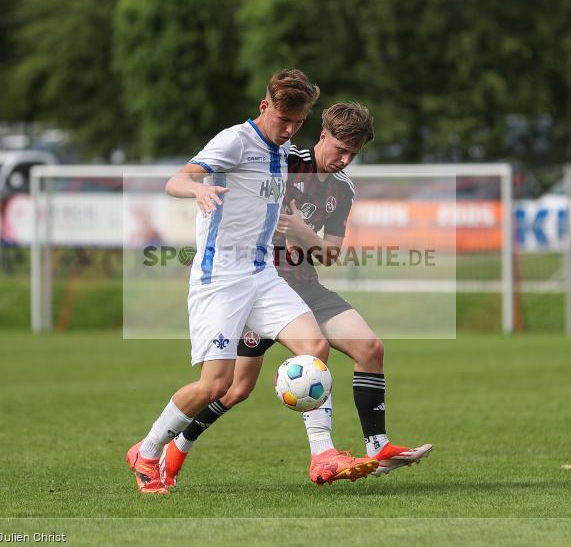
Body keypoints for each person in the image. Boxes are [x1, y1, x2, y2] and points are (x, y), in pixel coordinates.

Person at [125, 71, 376, 494]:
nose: (290, 130)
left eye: (297, 123)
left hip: (261, 274)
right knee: (217, 386)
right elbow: (176, 179)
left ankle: (323, 453)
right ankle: (147, 450)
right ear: (264, 108)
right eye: (284, 121)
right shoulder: (235, 141)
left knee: (314, 347)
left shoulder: (283, 151)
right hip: (219, 277)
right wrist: (198, 192)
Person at [161, 103, 432, 488]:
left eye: (353, 154)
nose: (344, 159)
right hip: (258, 287)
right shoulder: (284, 164)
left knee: (370, 348)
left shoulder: (342, 188)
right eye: (340, 149)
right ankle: (177, 447)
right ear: (322, 135)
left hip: (305, 288)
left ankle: (376, 446)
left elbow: (331, 253)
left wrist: (306, 234)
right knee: (235, 389)